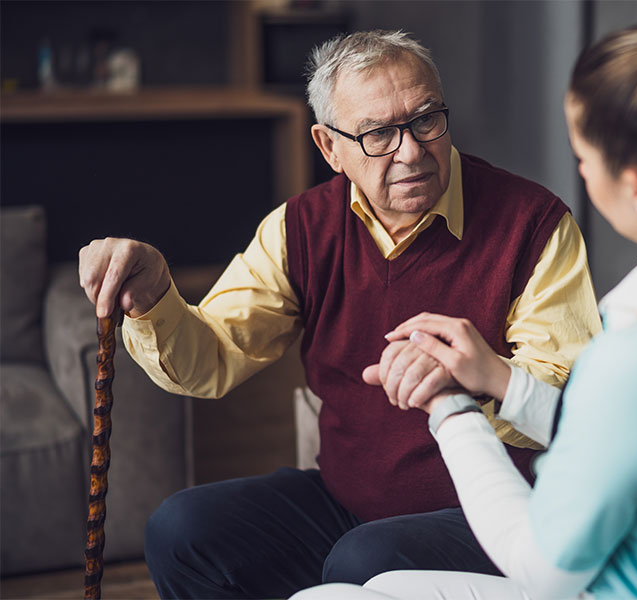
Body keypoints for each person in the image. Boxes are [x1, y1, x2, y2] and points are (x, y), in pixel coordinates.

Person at [291, 20, 637, 600]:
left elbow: (544, 569)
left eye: (583, 156)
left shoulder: (636, 347)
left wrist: (450, 408)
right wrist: (498, 378)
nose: (579, 170)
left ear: (635, 188)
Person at [77, 30, 602, 599]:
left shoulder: (533, 223)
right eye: (378, 134)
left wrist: (475, 377)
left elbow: (565, 398)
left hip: (498, 514)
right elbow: (214, 357)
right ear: (329, 147)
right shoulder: (301, 228)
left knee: (365, 560)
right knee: (183, 529)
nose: (411, 150)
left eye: (427, 120)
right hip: (350, 500)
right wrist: (157, 298)